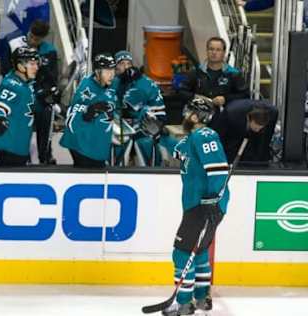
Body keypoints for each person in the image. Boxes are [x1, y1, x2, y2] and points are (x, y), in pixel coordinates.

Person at [163, 98, 230, 316]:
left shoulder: (205, 135)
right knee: (199, 252)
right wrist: (160, 136)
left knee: (182, 253)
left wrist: (212, 201)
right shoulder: (192, 138)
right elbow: (178, 150)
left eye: (187, 112)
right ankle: (202, 298)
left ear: (194, 116)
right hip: (200, 205)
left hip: (203, 206)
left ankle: (183, 303)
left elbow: (219, 170)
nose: (184, 117)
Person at [112, 50, 178, 166]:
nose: (126, 67)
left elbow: (158, 110)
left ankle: (154, 174)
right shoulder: (111, 82)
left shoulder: (147, 83)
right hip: (118, 127)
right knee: (117, 145)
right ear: (116, 67)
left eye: (128, 63)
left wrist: (158, 123)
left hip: (142, 127)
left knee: (146, 143)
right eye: (122, 63)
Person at [0, 46, 39, 167]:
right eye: (32, 64)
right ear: (21, 66)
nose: (36, 68)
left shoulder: (25, 83)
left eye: (37, 64)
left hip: (19, 145)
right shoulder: (12, 85)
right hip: (10, 148)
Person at [59, 53, 117, 168]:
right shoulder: (87, 87)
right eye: (107, 71)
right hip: (83, 145)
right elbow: (74, 112)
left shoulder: (110, 85)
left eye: (113, 70)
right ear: (97, 71)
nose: (111, 74)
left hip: (97, 144)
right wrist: (90, 110)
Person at [179, 37, 249, 125]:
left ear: (224, 53)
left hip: (224, 119)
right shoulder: (196, 72)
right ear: (207, 51)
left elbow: (245, 95)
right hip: (198, 118)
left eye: (218, 50)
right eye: (211, 49)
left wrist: (225, 99)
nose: (214, 52)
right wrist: (196, 97)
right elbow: (181, 91)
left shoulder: (233, 74)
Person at [29, 20, 60, 164]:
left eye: (37, 38)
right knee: (23, 127)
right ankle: (21, 154)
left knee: (45, 128)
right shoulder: (21, 46)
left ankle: (45, 156)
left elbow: (53, 77)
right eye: (32, 36)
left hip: (43, 96)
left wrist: (48, 92)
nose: (33, 40)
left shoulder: (50, 51)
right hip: (26, 93)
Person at [214, 99, 277, 164]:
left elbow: (265, 142)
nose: (258, 130)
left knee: (259, 154)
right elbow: (220, 138)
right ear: (249, 118)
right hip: (233, 129)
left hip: (250, 125)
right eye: (256, 127)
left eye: (261, 128)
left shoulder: (272, 113)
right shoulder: (230, 115)